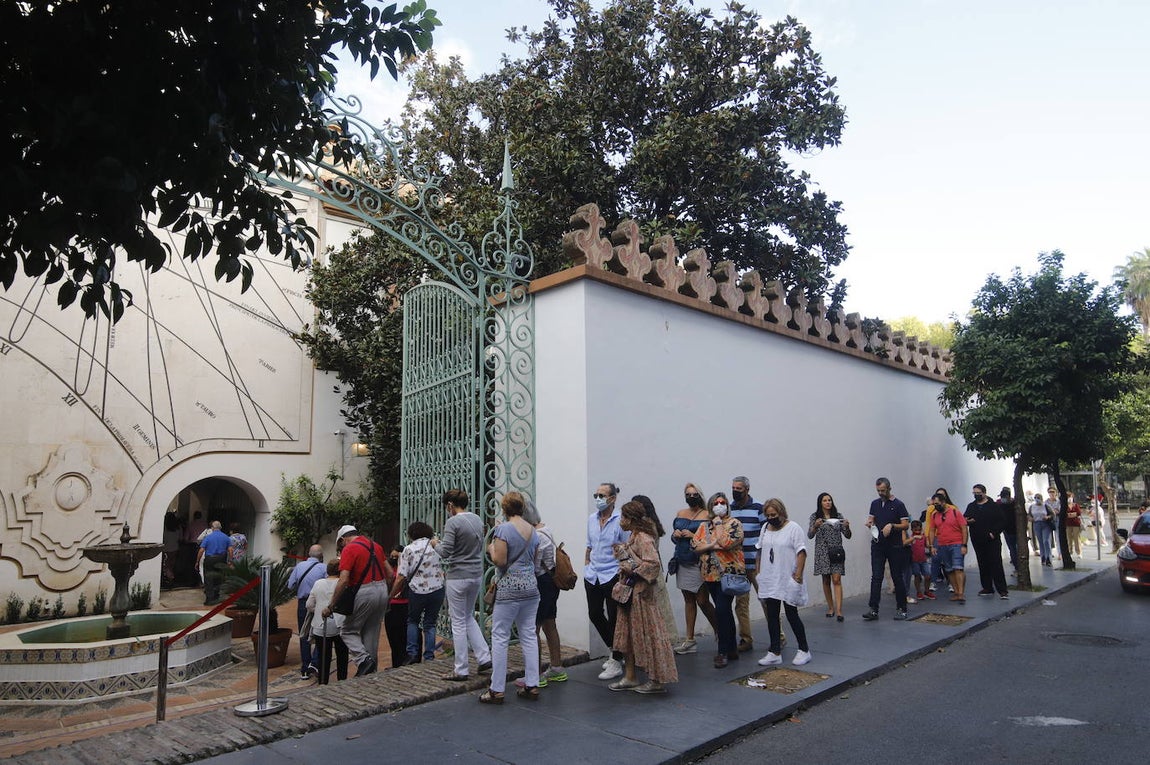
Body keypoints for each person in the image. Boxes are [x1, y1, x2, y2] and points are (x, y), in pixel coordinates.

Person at [606, 501, 679, 694]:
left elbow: (653, 564)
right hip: (630, 595)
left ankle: (656, 680)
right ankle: (630, 676)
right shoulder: (634, 536)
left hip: (641, 596)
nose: (621, 521)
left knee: (650, 636)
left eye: (623, 517)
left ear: (631, 519)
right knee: (628, 637)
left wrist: (633, 569)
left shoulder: (643, 538)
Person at [479, 491, 540, 705]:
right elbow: (535, 560)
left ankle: (497, 689)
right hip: (531, 587)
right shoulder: (533, 531)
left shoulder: (502, 529)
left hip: (508, 589)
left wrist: (490, 549)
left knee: (500, 636)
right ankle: (533, 683)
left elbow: (500, 561)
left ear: (504, 509)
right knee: (529, 635)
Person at [432, 488, 492, 681]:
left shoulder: (453, 522)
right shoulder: (476, 519)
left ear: (450, 505)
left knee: (457, 621)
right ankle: (484, 657)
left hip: (458, 576)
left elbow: (446, 552)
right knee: (468, 617)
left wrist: (435, 544)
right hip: (476, 574)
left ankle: (461, 668)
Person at [323, 524, 390, 677]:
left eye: (340, 544)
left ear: (343, 539)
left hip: (364, 591)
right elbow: (390, 573)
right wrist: (388, 595)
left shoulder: (349, 549)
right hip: (382, 590)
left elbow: (344, 580)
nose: (341, 548)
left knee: (347, 630)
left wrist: (332, 604)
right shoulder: (376, 546)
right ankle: (370, 673)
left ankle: (363, 661)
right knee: (371, 632)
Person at [514, 500, 567, 688]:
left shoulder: (535, 535)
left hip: (541, 583)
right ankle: (556, 667)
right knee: (550, 624)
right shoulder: (547, 529)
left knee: (533, 629)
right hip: (552, 582)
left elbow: (534, 565)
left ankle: (535, 674)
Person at [755, 498, 811, 666]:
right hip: (770, 578)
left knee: (792, 614)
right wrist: (759, 572)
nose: (771, 518)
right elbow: (759, 550)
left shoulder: (793, 528)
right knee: (772, 615)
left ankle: (804, 649)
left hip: (787, 577)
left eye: (774, 514)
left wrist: (798, 575)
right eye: (768, 515)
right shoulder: (765, 528)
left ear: (781, 513)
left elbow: (801, 552)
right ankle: (774, 651)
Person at [691, 491, 744, 668]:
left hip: (728, 574)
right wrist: (712, 545)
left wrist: (720, 525)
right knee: (725, 612)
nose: (719, 505)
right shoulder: (704, 526)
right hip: (709, 574)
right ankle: (732, 647)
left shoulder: (734, 524)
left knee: (721, 610)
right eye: (716, 503)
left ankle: (722, 651)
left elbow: (727, 543)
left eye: (722, 502)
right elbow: (695, 546)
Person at [584, 482, 629, 681]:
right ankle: (615, 650)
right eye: (596, 495)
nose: (598, 499)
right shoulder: (592, 519)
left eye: (602, 495)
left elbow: (627, 547)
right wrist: (586, 565)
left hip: (612, 574)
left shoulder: (621, 520)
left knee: (615, 617)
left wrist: (623, 572)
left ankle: (617, 660)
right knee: (594, 613)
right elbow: (589, 546)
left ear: (612, 498)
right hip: (593, 574)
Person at [670, 483, 718, 654]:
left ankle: (719, 630)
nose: (691, 497)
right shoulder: (680, 513)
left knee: (703, 600)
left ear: (700, 495)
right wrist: (675, 535)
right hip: (682, 559)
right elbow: (674, 537)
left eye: (694, 494)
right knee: (688, 599)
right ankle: (690, 639)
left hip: (700, 561)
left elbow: (713, 538)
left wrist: (693, 535)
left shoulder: (707, 515)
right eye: (687, 494)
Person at [391, 521, 444, 665]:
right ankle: (429, 656)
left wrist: (391, 594)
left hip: (417, 590)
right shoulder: (436, 545)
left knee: (413, 621)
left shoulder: (409, 549)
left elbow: (401, 576)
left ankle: (413, 653)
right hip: (437, 589)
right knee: (430, 623)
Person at [631, 494, 678, 644]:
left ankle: (661, 642)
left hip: (649, 573)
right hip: (654, 572)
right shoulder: (649, 524)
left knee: (655, 611)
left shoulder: (646, 526)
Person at [863, 477, 909, 621]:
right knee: (876, 577)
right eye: (878, 491)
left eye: (883, 490)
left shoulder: (898, 504)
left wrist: (892, 525)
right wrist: (870, 523)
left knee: (897, 576)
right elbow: (871, 518)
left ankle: (901, 608)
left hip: (894, 545)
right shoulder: (875, 504)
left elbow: (906, 524)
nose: (880, 493)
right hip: (878, 544)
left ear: (889, 488)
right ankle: (873, 609)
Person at [729, 475, 763, 653]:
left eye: (738, 489)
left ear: (747, 490)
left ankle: (778, 636)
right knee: (741, 604)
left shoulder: (758, 507)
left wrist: (761, 559)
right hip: (738, 565)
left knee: (766, 600)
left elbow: (766, 532)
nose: (735, 491)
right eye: (733, 488)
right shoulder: (729, 508)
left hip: (756, 564)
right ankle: (746, 638)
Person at [808, 492, 851, 621]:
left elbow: (848, 535)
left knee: (837, 579)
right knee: (826, 579)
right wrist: (815, 526)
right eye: (825, 500)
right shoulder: (815, 517)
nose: (828, 502)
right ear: (820, 503)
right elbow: (810, 535)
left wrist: (847, 527)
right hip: (822, 551)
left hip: (836, 550)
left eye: (829, 500)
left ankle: (839, 610)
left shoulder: (838, 516)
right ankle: (831, 607)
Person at [287, 544, 327, 678]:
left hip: (303, 602)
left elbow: (290, 585)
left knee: (304, 633)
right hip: (319, 603)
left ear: (309, 554)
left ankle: (305, 667)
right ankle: (315, 663)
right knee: (320, 632)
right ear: (321, 556)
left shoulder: (299, 566)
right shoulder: (323, 568)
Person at [306, 559, 349, 684]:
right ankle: (342, 681)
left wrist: (318, 610)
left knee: (324, 656)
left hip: (321, 624)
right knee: (342, 655)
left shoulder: (318, 583)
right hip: (339, 624)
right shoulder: (343, 584)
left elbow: (309, 604)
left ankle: (323, 682)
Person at [965, 484, 1008, 599]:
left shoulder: (993, 506)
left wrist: (993, 533)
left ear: (984, 493)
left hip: (992, 540)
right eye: (974, 493)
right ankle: (987, 587)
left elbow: (1002, 521)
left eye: (978, 493)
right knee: (982, 563)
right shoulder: (971, 506)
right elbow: (965, 518)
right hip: (977, 539)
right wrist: (969, 521)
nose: (976, 495)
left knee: (996, 564)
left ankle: (1002, 590)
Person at [928, 492, 968, 602]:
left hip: (956, 543)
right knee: (949, 569)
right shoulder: (934, 515)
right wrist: (932, 545)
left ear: (943, 502)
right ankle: (956, 592)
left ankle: (960, 593)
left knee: (958, 568)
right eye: (934, 504)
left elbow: (964, 528)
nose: (936, 506)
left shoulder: (955, 512)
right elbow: (932, 530)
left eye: (937, 503)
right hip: (942, 545)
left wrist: (964, 545)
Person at [383, 545, 413, 668]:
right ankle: (396, 664)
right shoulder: (389, 569)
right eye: (392, 556)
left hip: (405, 604)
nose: (394, 558)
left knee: (405, 636)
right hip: (392, 607)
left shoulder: (407, 568)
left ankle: (407, 660)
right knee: (393, 638)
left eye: (397, 556)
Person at [195, 521, 231, 606]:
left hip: (210, 559)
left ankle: (209, 599)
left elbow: (201, 550)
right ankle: (216, 596)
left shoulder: (208, 537)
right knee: (218, 577)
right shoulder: (226, 537)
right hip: (221, 558)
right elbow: (230, 550)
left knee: (208, 578)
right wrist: (230, 560)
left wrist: (197, 561)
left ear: (212, 528)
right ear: (220, 528)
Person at [997, 487, 1020, 574]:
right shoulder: (1014, 503)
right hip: (1008, 530)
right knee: (1013, 548)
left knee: (1013, 548)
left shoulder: (1003, 504)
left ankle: (1018, 568)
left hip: (1012, 529)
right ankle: (1017, 567)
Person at [908, 520, 929, 600]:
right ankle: (919, 592)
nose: (917, 532)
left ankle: (926, 591)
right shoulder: (911, 538)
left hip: (923, 559)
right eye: (915, 530)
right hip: (915, 560)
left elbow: (926, 546)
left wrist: (926, 538)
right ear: (912, 530)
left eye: (919, 530)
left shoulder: (923, 537)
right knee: (917, 576)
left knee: (928, 575)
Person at [1065, 492, 1082, 558]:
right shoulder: (1065, 505)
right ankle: (1070, 551)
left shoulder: (1075, 505)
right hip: (1068, 524)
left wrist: (1071, 514)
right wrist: (1071, 514)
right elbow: (1065, 514)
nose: (1069, 498)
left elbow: (1078, 512)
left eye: (1070, 497)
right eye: (1068, 497)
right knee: (1069, 538)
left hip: (1076, 524)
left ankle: (1079, 552)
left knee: (1076, 538)